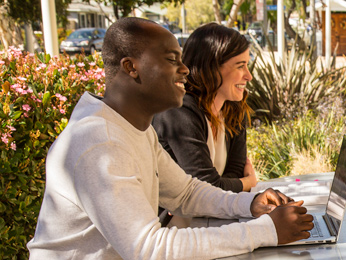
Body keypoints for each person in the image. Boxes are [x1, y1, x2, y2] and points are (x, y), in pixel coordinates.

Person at [27, 17, 313, 259]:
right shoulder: (100, 142)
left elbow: (185, 193)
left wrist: (249, 204)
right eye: (171, 60)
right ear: (131, 67)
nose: (185, 69)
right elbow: (148, 248)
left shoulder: (134, 128)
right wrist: (265, 230)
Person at [153, 23, 257, 194]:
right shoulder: (179, 111)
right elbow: (204, 188)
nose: (248, 76)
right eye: (240, 66)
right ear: (211, 68)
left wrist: (235, 183)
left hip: (216, 212)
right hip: (173, 219)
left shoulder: (233, 109)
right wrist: (247, 182)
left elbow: (235, 171)